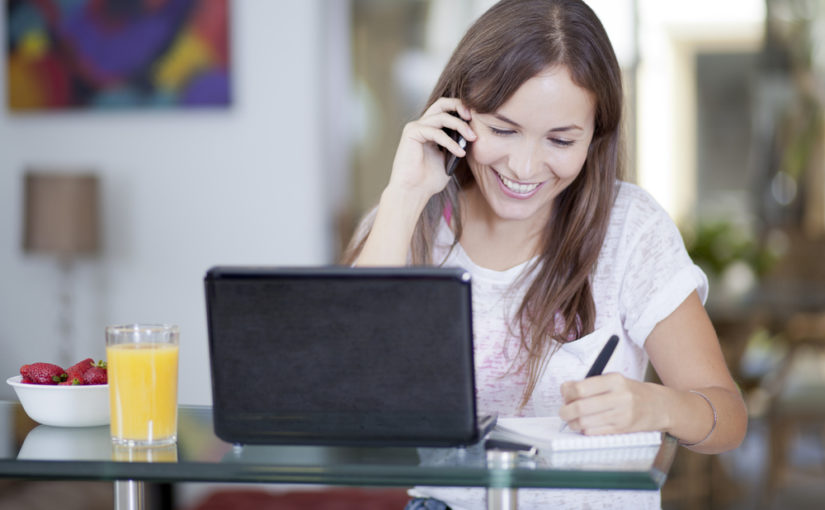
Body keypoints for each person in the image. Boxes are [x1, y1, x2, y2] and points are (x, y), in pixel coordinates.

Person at [343, 0, 748, 508]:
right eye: (503, 130)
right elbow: (347, 389)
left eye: (561, 139)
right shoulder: (409, 217)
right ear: (458, 112)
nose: (525, 166)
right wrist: (403, 195)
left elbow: (727, 419)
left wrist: (657, 405)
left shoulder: (630, 229)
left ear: (595, 135)